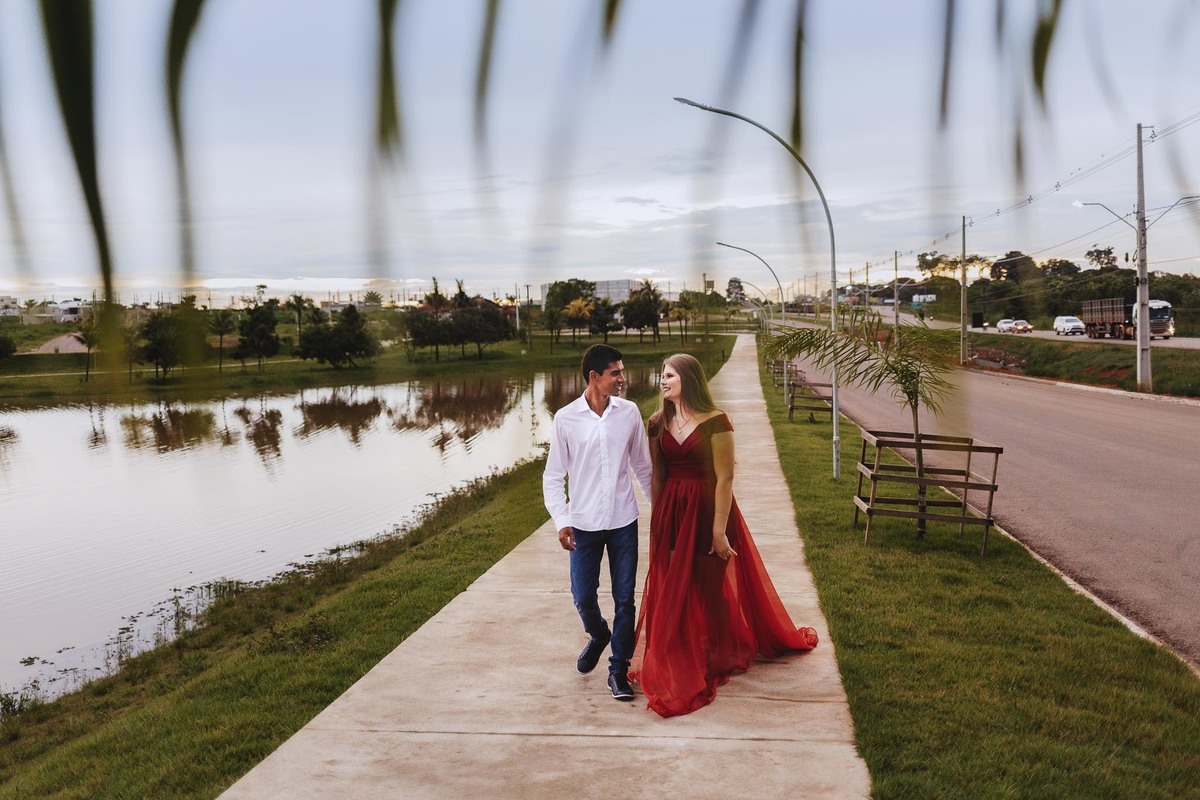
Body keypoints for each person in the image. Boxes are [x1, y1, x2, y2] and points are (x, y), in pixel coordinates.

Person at [629, 353, 818, 717]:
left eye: (669, 375)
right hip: (671, 512)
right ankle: (677, 651)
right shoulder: (656, 421)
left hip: (706, 510)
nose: (662, 381)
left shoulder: (717, 422)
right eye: (661, 375)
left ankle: (715, 651)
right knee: (671, 585)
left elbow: (725, 477)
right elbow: (656, 475)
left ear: (688, 378)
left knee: (707, 583)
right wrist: (658, 519)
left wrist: (718, 530)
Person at [543, 343, 653, 701]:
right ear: (595, 377)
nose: (623, 378)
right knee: (582, 597)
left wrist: (662, 511)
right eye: (616, 373)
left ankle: (618, 670)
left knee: (625, 599)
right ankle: (598, 634)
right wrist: (562, 520)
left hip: (623, 520)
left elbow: (643, 467)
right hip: (584, 524)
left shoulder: (629, 412)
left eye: (622, 371)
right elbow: (553, 476)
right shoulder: (565, 418)